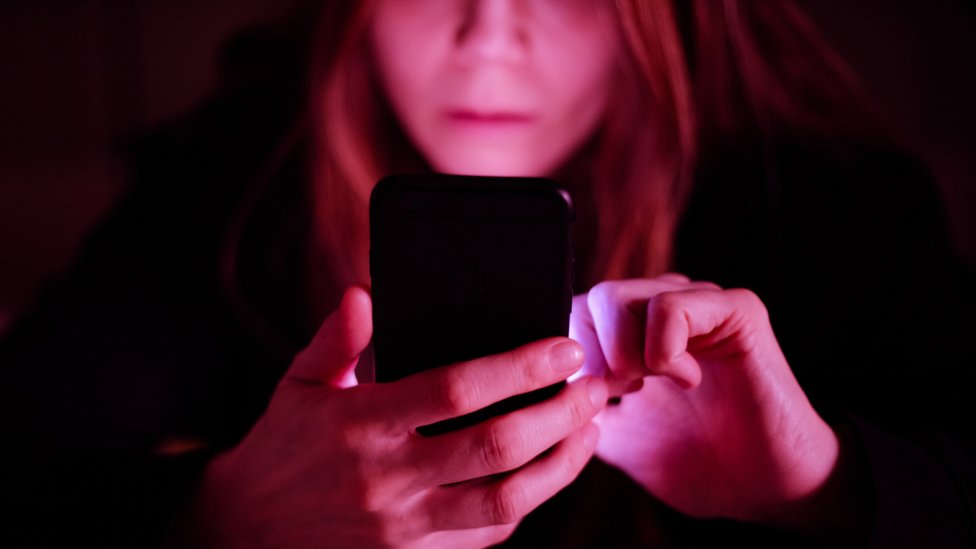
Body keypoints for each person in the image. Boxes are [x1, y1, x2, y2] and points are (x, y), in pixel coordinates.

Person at [2, 0, 974, 547]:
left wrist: (824, 488)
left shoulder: (827, 202)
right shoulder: (233, 180)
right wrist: (222, 517)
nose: (488, 33)